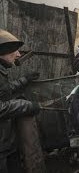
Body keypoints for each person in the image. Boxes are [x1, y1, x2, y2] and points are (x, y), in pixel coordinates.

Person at [0, 29, 40, 173]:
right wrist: (26, 106)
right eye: (15, 51)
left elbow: (3, 91)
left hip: (5, 139)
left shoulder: (1, 70)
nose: (18, 54)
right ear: (3, 51)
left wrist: (25, 80)